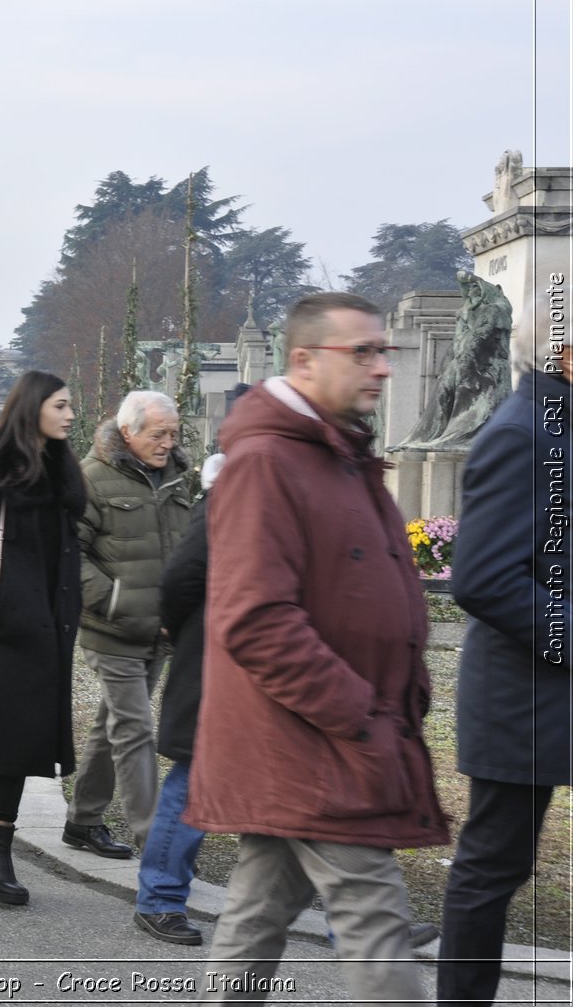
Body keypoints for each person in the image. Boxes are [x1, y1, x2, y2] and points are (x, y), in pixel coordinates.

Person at [186, 291, 448, 1003]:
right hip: (315, 742)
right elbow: (255, 618)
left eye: (382, 350)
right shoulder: (268, 462)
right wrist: (360, 715)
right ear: (303, 359)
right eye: (360, 351)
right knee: (376, 920)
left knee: (258, 911)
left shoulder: (335, 453)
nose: (381, 368)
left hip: (324, 738)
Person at [438, 287, 572, 1006]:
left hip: (551, 689)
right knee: (493, 867)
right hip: (523, 698)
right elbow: (482, 579)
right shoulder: (522, 433)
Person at [0, 372, 84, 906]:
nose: (71, 414)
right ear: (33, 408)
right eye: (62, 405)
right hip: (8, 628)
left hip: (52, 625)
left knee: (31, 742)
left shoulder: (59, 466)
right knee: (7, 741)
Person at [64, 390, 191, 858]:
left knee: (111, 723)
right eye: (159, 433)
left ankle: (82, 820)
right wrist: (116, 602)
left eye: (173, 433)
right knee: (135, 729)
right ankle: (156, 845)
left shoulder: (178, 478)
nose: (168, 443)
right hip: (110, 629)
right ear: (127, 432)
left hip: (159, 632)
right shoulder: (91, 479)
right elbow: (68, 555)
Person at [132, 450, 225, 946]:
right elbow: (181, 579)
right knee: (193, 783)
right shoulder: (228, 498)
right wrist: (187, 629)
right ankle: (159, 898)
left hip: (255, 670)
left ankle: (365, 921)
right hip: (218, 665)